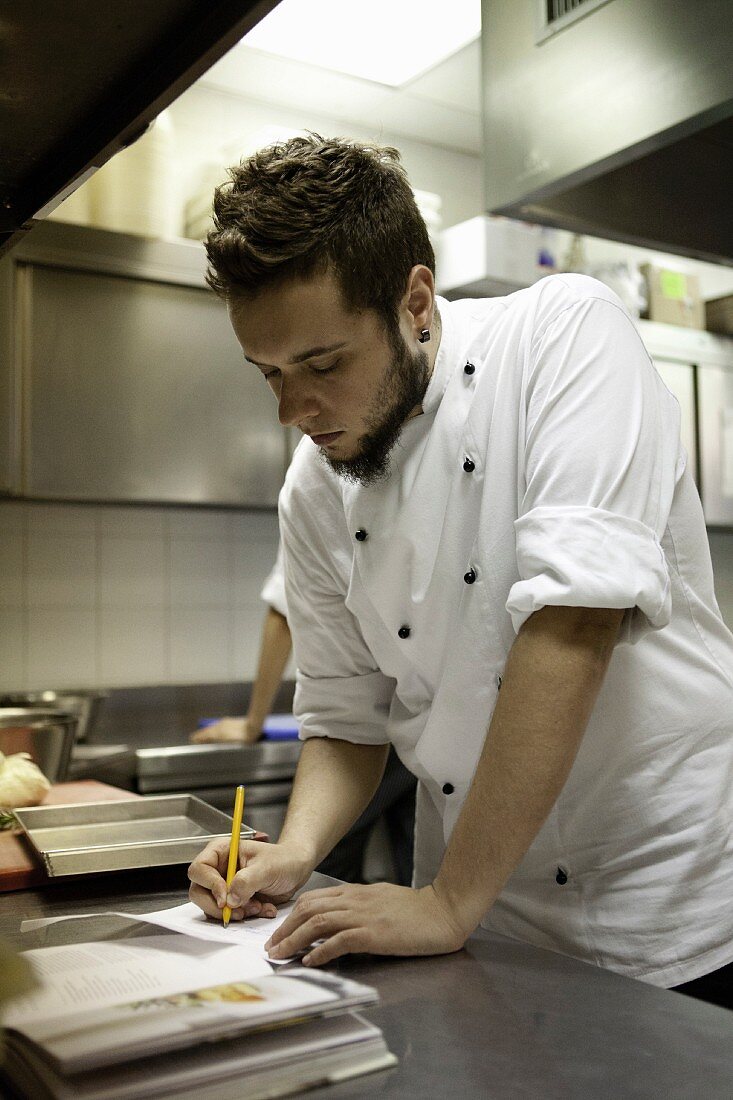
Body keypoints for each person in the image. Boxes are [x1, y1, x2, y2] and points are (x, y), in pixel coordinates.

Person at [188, 135, 733, 1008]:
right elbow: (344, 714)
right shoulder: (313, 490)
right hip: (483, 926)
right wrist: (297, 849)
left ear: (414, 300)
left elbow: (573, 626)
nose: (294, 411)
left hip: (669, 906)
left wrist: (448, 901)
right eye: (270, 375)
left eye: (323, 364)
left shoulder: (563, 335)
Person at [190, 544, 416, 885]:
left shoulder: (320, 497)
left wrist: (253, 724)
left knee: (330, 861)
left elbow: (283, 613)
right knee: (415, 865)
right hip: (419, 719)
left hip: (388, 723)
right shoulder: (312, 499)